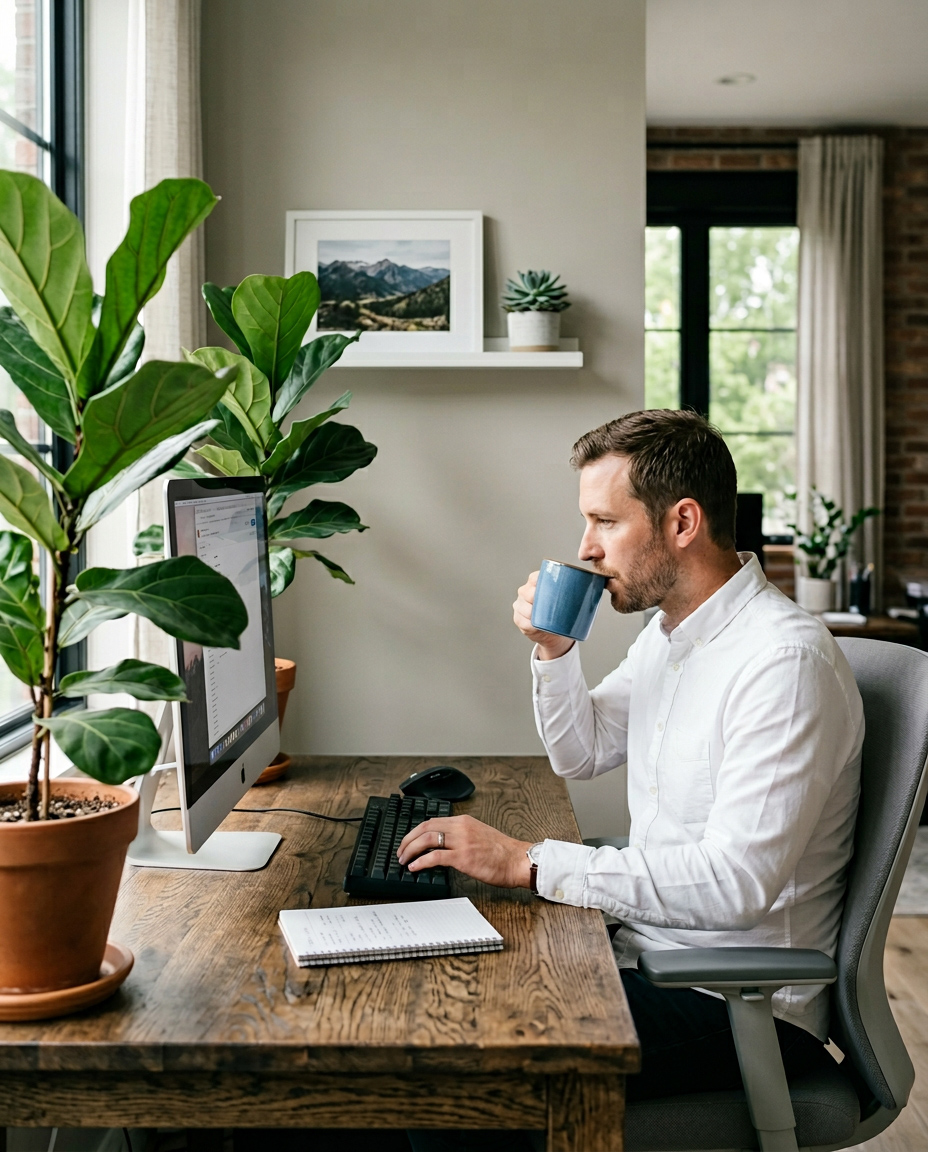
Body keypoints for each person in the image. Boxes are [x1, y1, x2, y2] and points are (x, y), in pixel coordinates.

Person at [402, 410, 862, 1152]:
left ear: (682, 521)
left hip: (738, 1008)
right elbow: (582, 752)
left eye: (604, 522)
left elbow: (737, 883)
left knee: (457, 1077)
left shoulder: (783, 664)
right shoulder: (672, 635)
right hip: (647, 957)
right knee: (435, 1004)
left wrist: (529, 862)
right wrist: (554, 652)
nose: (585, 548)